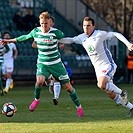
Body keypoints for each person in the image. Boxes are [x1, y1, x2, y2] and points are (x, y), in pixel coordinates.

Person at [0, 11, 84, 117]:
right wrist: (9, 41)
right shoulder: (36, 31)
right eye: (42, 23)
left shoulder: (56, 33)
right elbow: (24, 37)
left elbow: (63, 39)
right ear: (40, 22)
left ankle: (79, 107)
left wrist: (64, 42)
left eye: (46, 23)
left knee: (68, 87)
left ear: (49, 22)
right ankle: (36, 100)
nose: (44, 25)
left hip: (56, 63)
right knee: (39, 81)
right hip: (42, 63)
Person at [59, 17, 133, 117]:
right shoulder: (82, 37)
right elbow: (71, 40)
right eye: (84, 25)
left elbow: (116, 34)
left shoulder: (100, 34)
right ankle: (131, 107)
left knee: (101, 84)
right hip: (98, 70)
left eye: (88, 25)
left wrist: (128, 44)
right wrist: (57, 40)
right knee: (110, 93)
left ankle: (122, 92)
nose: (86, 28)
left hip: (108, 65)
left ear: (93, 26)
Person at [32, 15, 61, 106]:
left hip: (55, 59)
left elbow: (62, 41)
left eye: (50, 21)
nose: (48, 23)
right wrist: (43, 45)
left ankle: (56, 97)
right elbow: (33, 44)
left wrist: (60, 44)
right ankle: (49, 83)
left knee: (57, 79)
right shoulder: (39, 32)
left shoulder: (55, 32)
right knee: (47, 80)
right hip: (44, 61)